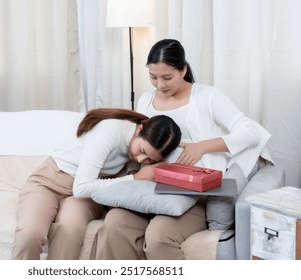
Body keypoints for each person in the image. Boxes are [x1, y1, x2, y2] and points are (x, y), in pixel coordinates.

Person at [92, 39, 273, 260]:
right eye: (153, 77)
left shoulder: (207, 97)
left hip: (190, 194)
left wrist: (202, 147)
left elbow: (252, 131)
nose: (160, 85)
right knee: (114, 223)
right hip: (150, 188)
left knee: (159, 235)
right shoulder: (146, 100)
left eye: (167, 77)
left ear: (183, 70)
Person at [11, 107, 182, 260]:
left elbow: (87, 191)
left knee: (70, 232)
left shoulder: (139, 147)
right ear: (140, 128)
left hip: (87, 195)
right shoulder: (111, 131)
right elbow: (81, 187)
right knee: (30, 234)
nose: (140, 159)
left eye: (150, 159)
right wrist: (135, 178)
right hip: (50, 181)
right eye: (142, 151)